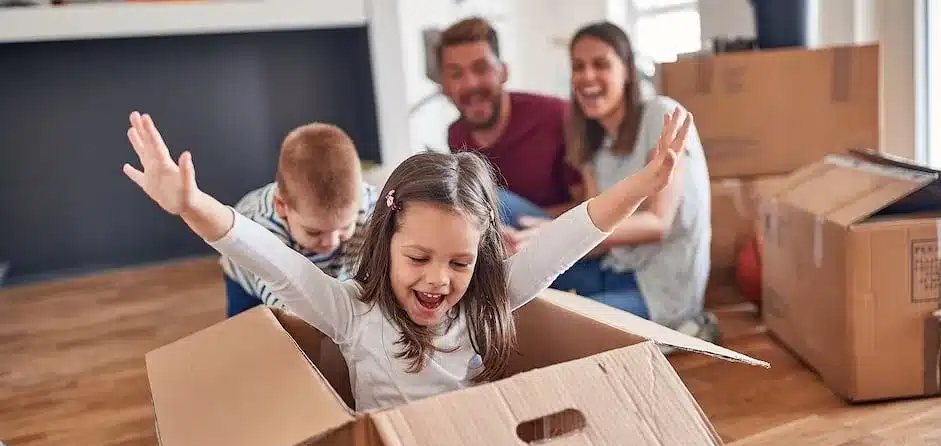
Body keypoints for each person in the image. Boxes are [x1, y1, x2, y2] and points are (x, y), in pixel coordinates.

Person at [120, 105, 691, 411]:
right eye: (418, 257)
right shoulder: (348, 311)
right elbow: (266, 254)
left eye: (459, 263)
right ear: (384, 238)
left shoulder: (488, 303)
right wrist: (191, 204)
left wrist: (643, 184)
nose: (439, 280)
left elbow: (572, 235)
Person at [511, 22, 719, 344]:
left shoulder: (661, 115)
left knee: (552, 330)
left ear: (627, 71)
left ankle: (685, 325)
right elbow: (594, 240)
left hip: (659, 289)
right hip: (610, 269)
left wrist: (549, 235)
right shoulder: (594, 146)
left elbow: (657, 223)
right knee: (500, 209)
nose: (587, 76)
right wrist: (536, 245)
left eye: (601, 64)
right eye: (578, 67)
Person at [220, 122, 378, 317]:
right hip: (249, 277)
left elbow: (362, 271)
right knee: (249, 328)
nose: (332, 242)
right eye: (314, 232)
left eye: (345, 227)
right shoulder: (262, 227)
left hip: (325, 270)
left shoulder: (365, 206)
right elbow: (279, 298)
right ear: (282, 206)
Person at [438, 17, 584, 228]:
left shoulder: (558, 115)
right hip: (505, 247)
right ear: (444, 86)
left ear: (503, 72)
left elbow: (587, 205)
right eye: (456, 74)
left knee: (492, 201)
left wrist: (522, 222)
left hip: (564, 239)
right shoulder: (456, 135)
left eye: (481, 69)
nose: (470, 84)